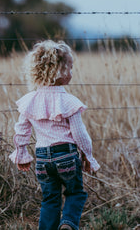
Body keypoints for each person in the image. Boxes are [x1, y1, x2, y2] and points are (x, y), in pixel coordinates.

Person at [9, 40, 100, 230]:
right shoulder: (68, 101)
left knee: (50, 198)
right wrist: (88, 156)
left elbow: (21, 129)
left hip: (42, 159)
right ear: (60, 72)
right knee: (75, 193)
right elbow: (79, 133)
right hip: (66, 155)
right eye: (70, 68)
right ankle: (67, 224)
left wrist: (21, 153)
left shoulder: (29, 100)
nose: (72, 73)